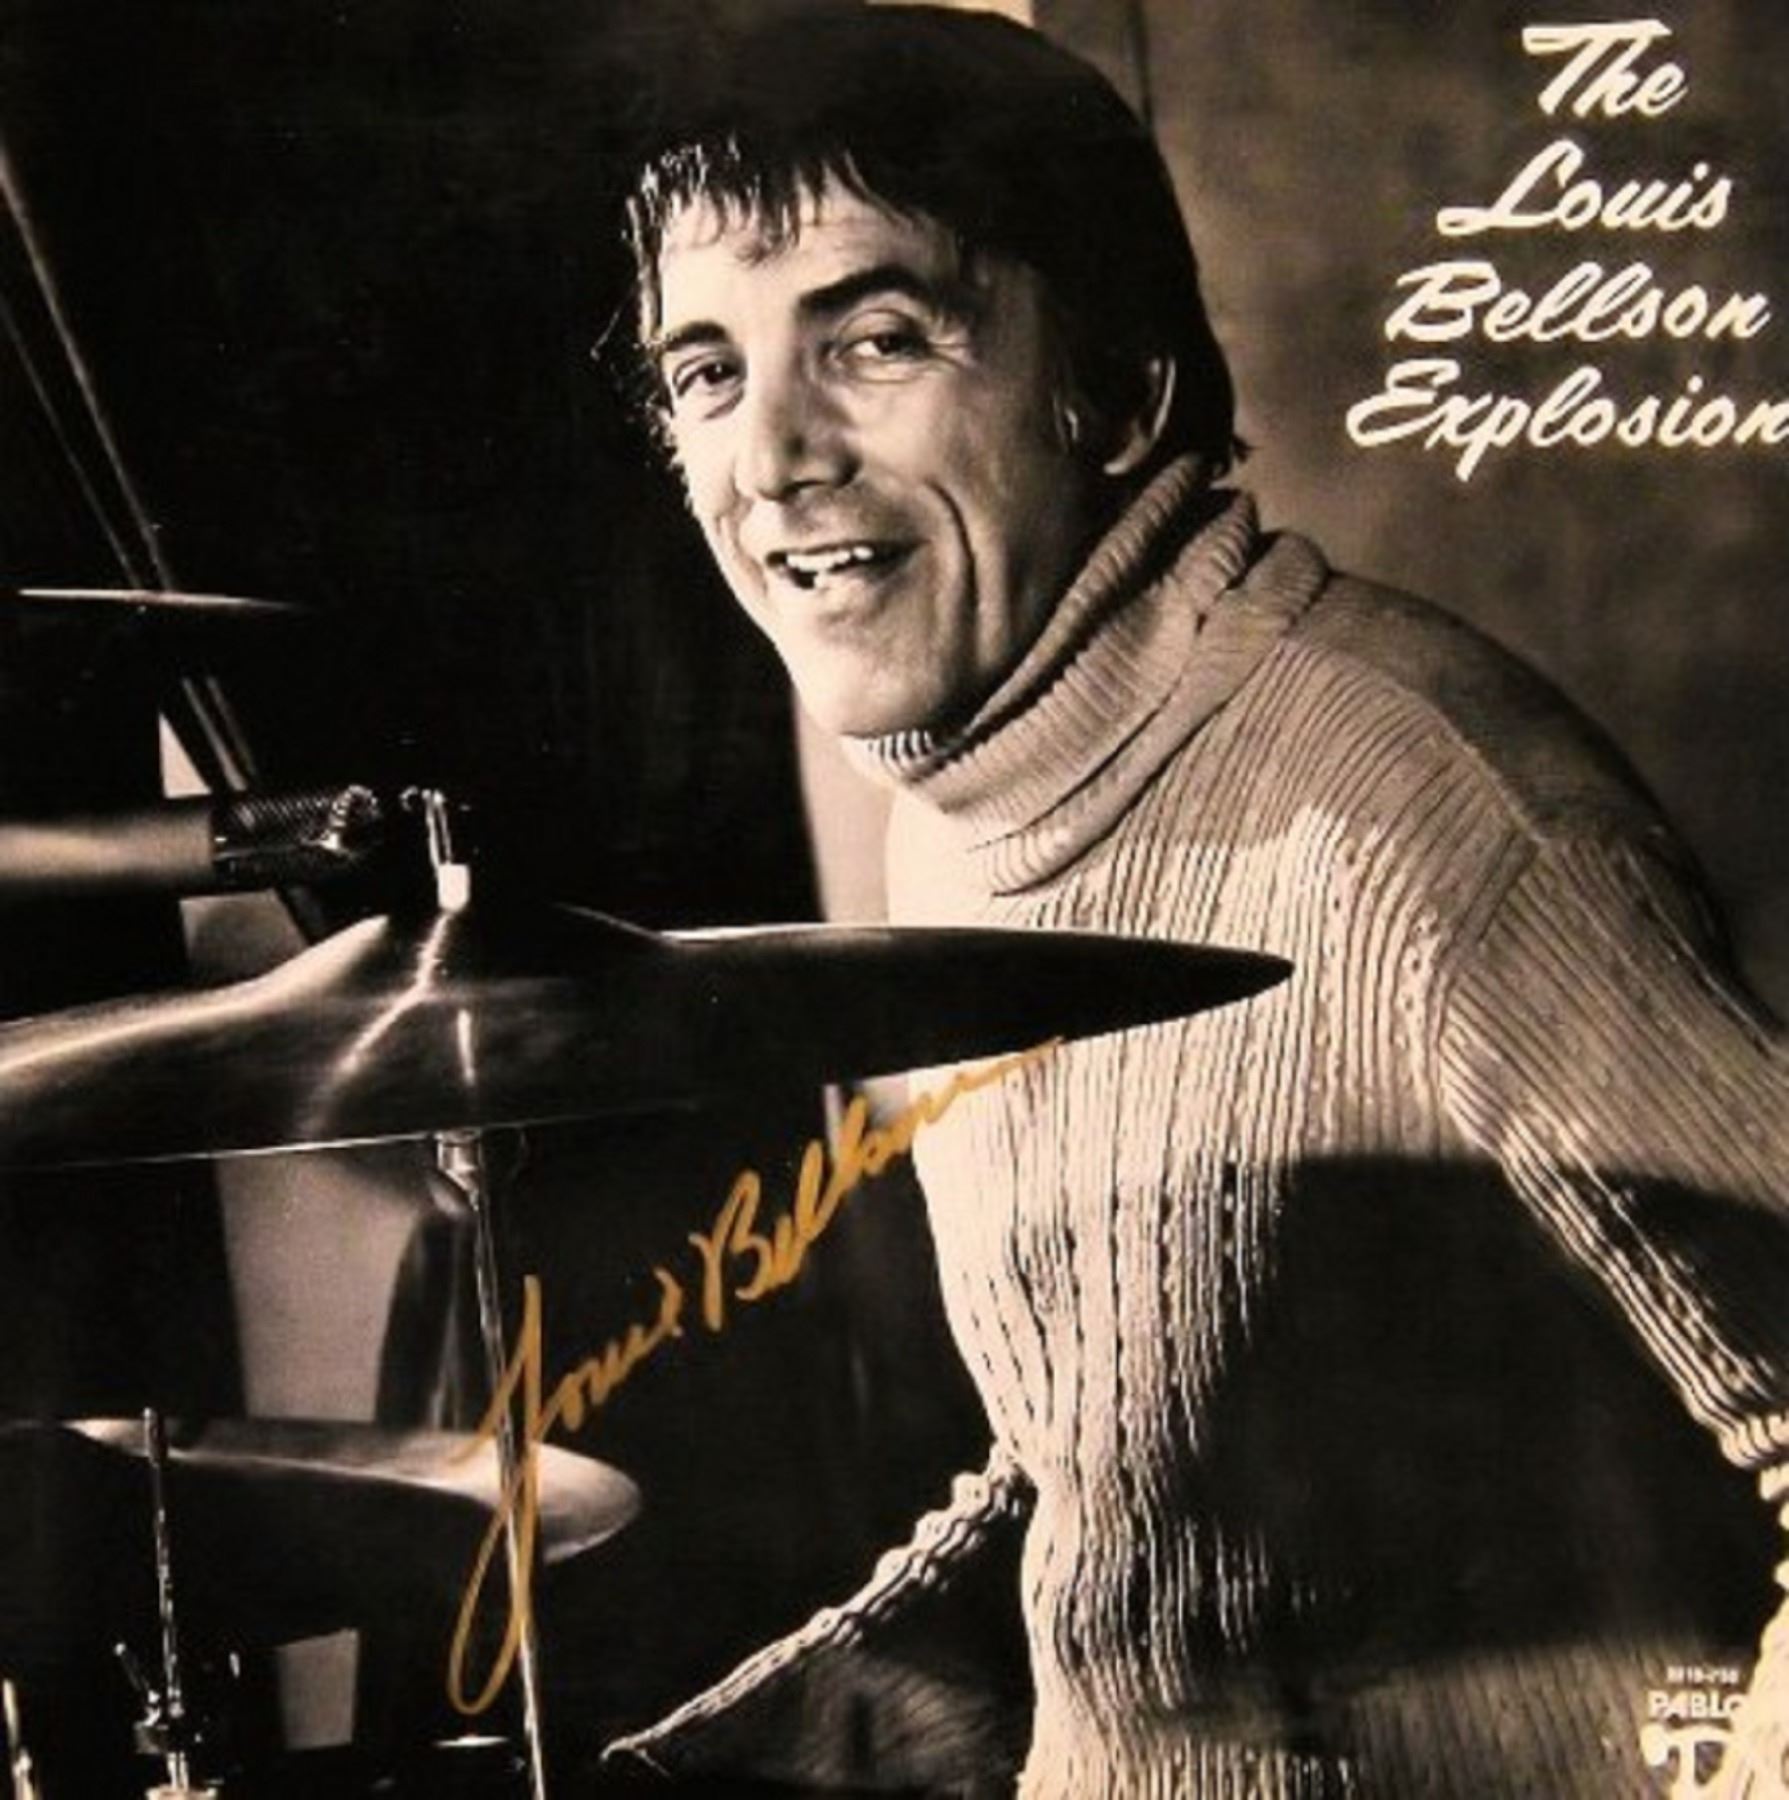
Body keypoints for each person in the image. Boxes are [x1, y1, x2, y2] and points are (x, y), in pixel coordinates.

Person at [602, 7, 1789, 1794]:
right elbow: (1122, 1471)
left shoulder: (1423, 818)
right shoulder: (972, 795)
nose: (770, 457)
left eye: (876, 339)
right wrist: (736, 1755)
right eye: (705, 372)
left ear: (1118, 392)